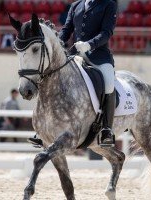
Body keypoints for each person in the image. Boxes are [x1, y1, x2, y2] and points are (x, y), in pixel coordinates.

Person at [28, 0, 117, 147]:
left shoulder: (108, 4)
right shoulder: (76, 5)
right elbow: (67, 29)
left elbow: (106, 32)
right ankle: (42, 129)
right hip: (74, 54)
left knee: (108, 84)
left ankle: (106, 129)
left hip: (99, 55)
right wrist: (58, 44)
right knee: (50, 77)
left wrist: (90, 44)